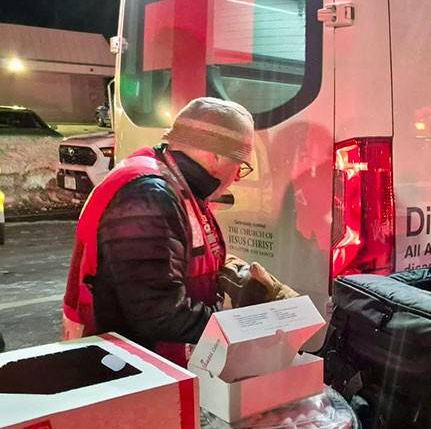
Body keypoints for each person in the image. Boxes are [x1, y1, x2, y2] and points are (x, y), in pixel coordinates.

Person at [63, 97, 294, 365]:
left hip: (139, 360)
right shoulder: (149, 196)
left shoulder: (171, 184)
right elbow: (156, 313)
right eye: (239, 166)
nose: (237, 177)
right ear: (215, 155)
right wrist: (243, 324)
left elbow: (176, 258)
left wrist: (238, 279)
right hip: (124, 368)